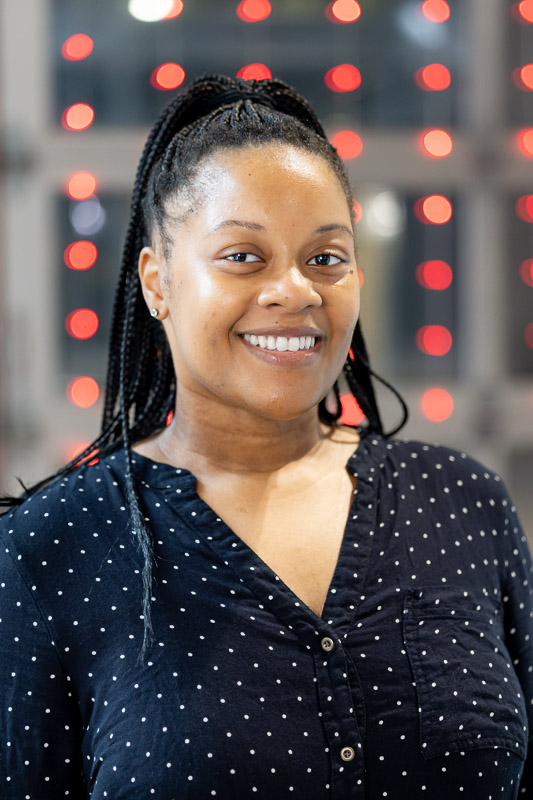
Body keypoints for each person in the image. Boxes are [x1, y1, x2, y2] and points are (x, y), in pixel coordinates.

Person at [0, 73, 531, 800]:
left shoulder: (459, 502)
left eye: (324, 257)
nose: (295, 291)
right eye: (243, 257)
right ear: (157, 283)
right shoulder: (51, 547)